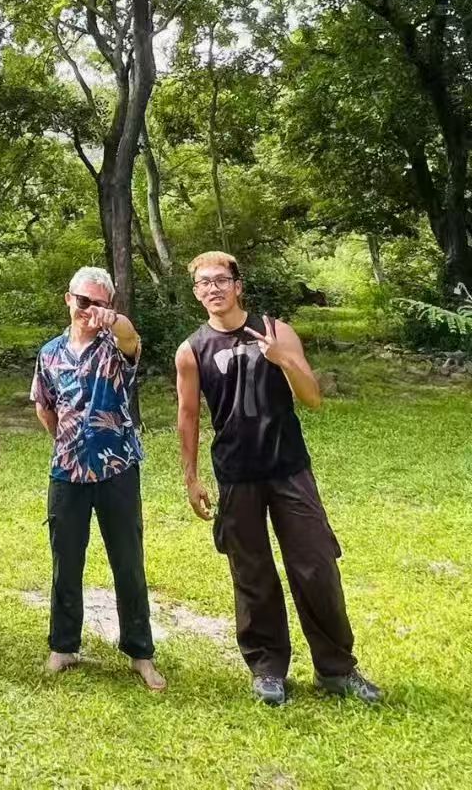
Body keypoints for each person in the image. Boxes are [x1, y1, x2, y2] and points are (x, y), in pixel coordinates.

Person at [175, 250, 382, 707]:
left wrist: (282, 358)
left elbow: (312, 398)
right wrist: (191, 478)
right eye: (204, 283)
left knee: (316, 565)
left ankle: (336, 669)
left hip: (289, 468)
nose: (213, 288)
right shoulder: (191, 350)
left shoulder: (275, 330)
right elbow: (187, 416)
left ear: (238, 285)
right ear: (196, 293)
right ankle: (268, 669)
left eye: (221, 280)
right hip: (236, 475)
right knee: (252, 574)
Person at [31, 267, 165, 689]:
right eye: (83, 301)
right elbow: (44, 405)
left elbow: (131, 338)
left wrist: (116, 320)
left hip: (117, 468)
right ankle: (63, 646)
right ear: (68, 299)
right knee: (65, 561)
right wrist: (68, 441)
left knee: (128, 562)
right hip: (66, 471)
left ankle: (140, 653)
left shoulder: (115, 346)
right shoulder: (50, 352)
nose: (89, 310)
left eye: (99, 304)